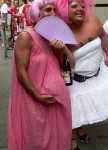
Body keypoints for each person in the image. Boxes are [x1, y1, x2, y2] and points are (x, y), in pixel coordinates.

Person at [56, 0, 108, 149]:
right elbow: (59, 61)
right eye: (74, 6)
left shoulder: (93, 19)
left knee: (84, 108)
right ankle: (72, 139)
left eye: (82, 5)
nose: (80, 9)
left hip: (96, 74)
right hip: (75, 79)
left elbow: (104, 36)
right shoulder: (60, 31)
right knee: (74, 109)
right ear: (63, 9)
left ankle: (80, 128)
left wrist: (107, 55)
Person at [8, 0, 74, 149]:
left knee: (56, 138)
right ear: (37, 14)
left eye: (54, 10)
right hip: (34, 99)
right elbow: (20, 71)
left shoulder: (54, 36)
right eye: (47, 10)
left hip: (56, 101)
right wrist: (36, 95)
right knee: (35, 137)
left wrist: (63, 48)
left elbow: (71, 64)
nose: (52, 14)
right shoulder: (26, 37)